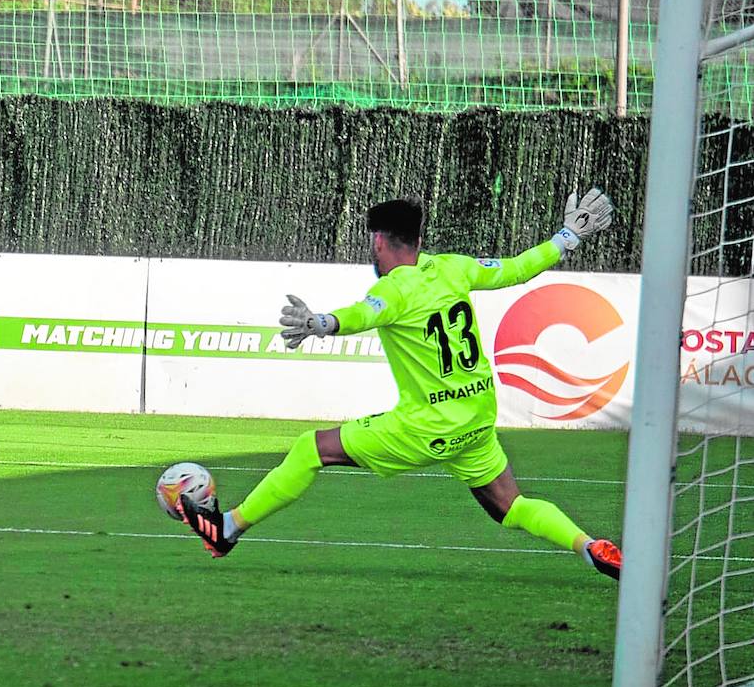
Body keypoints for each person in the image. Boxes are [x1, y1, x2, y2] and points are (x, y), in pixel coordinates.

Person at [174, 189, 624, 581]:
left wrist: (319, 322)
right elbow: (517, 268)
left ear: (378, 241)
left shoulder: (394, 289)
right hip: (477, 417)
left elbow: (362, 313)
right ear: (420, 240)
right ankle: (587, 546)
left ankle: (228, 528)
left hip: (428, 424)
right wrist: (569, 236)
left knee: (313, 449)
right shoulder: (453, 269)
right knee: (511, 506)